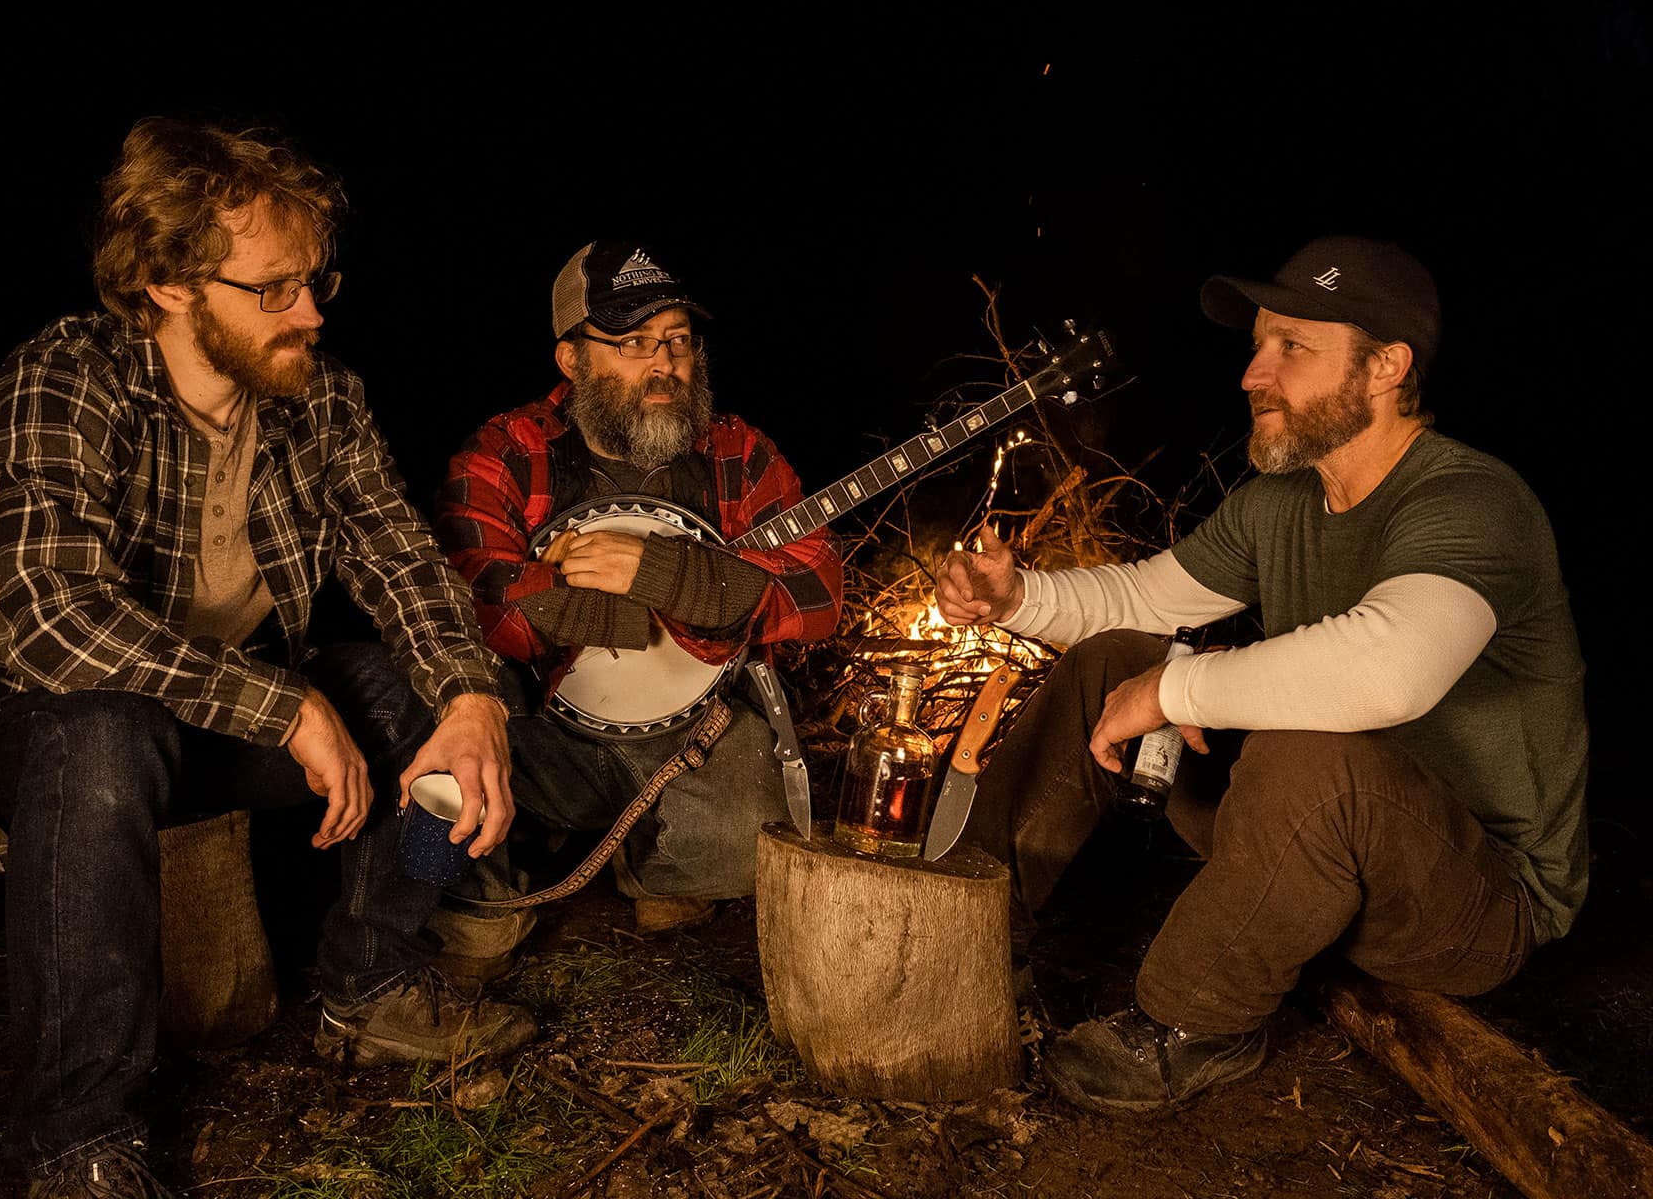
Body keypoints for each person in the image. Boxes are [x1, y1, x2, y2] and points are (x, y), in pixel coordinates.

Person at [0, 117, 533, 1196]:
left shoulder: (321, 396)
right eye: (274, 288)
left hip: (214, 726)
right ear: (166, 283)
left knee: (410, 699)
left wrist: (474, 699)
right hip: (46, 740)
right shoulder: (64, 378)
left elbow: (402, 561)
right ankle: (71, 1137)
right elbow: (49, 622)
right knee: (104, 736)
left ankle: (376, 976)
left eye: (317, 280)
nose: (311, 312)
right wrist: (287, 708)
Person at [936, 236, 1588, 1114]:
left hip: (1470, 903)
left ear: (1387, 366)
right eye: (1257, 346)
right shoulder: (1279, 501)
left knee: (1308, 757)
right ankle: (967, 916)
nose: (1252, 373)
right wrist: (1016, 597)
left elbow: (1391, 670)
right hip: (1301, 852)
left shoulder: (1472, 502)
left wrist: (1179, 690)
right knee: (1119, 659)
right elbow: (1139, 600)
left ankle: (1188, 1024)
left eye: (1292, 349)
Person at [432, 241, 842, 958]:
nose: (664, 365)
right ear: (572, 359)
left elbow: (817, 594)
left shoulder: (739, 453)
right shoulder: (506, 451)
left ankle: (654, 865)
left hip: (688, 731)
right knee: (440, 713)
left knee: (752, 852)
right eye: (632, 344)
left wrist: (663, 574)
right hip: (541, 727)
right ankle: (486, 898)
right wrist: (639, 597)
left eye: (678, 341)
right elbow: (475, 606)